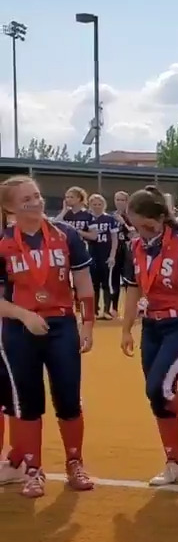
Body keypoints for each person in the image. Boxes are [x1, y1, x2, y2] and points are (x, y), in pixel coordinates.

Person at [0, 176, 97, 498]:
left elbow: (83, 283)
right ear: (10, 207)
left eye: (37, 195)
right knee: (27, 402)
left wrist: (87, 325)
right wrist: (24, 315)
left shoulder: (65, 234)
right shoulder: (3, 241)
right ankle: (32, 470)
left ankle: (75, 462)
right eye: (26, 199)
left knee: (68, 397)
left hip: (61, 325)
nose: (35, 202)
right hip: (19, 329)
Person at [118, 187, 178, 486]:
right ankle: (173, 464)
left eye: (146, 226)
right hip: (152, 326)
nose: (142, 232)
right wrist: (126, 328)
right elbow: (133, 288)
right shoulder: (134, 248)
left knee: (159, 386)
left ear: (161, 218)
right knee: (157, 398)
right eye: (136, 226)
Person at [87, 193, 118, 320]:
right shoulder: (87, 219)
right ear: (90, 205)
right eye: (94, 204)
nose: (97, 207)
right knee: (93, 284)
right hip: (92, 253)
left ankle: (106, 310)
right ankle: (94, 310)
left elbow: (115, 239)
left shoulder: (110, 219)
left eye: (99, 204)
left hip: (105, 253)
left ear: (104, 205)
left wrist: (112, 255)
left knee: (106, 283)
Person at [108, 190, 136, 319]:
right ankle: (113, 308)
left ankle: (131, 309)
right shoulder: (110, 216)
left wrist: (123, 223)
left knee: (128, 281)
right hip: (115, 250)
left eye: (122, 200)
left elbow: (134, 234)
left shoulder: (131, 216)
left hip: (128, 251)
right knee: (114, 280)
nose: (119, 202)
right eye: (117, 199)